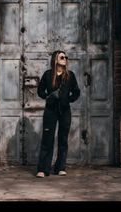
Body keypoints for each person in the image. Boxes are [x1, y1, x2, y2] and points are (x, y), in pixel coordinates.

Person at [36, 50, 80, 178]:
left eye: (65, 57)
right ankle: (43, 169)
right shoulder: (48, 75)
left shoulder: (70, 76)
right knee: (47, 140)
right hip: (50, 111)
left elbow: (76, 92)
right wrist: (47, 96)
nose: (65, 59)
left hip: (65, 111)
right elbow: (40, 91)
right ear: (55, 59)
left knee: (63, 140)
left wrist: (68, 99)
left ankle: (60, 167)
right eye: (62, 57)